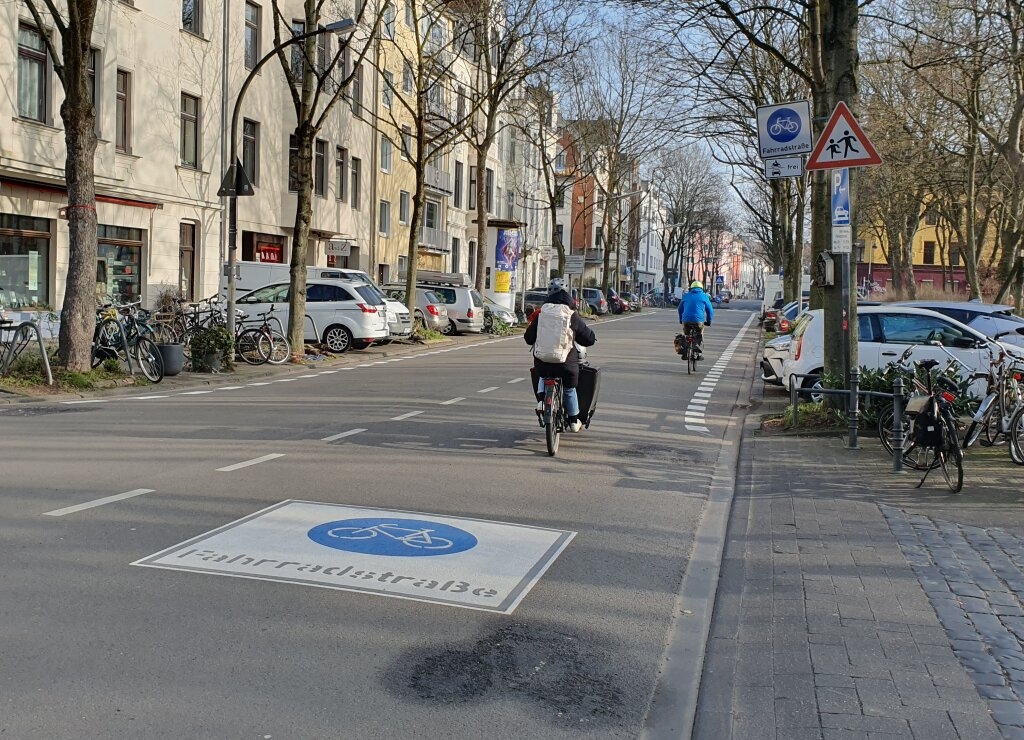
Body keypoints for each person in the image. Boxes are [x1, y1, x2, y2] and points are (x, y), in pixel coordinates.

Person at [525, 279, 596, 433]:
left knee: (543, 376)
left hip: (543, 362)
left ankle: (542, 402)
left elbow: (528, 337)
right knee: (570, 389)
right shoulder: (571, 314)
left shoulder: (542, 313)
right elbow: (587, 338)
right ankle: (573, 421)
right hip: (565, 364)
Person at [678, 279, 714, 360]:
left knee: (686, 334)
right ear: (701, 288)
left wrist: (681, 319)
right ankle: (698, 352)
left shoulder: (686, 296)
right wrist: (709, 321)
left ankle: (685, 352)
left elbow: (680, 309)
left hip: (686, 320)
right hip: (698, 321)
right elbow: (710, 311)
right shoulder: (704, 296)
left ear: (691, 288)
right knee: (700, 333)